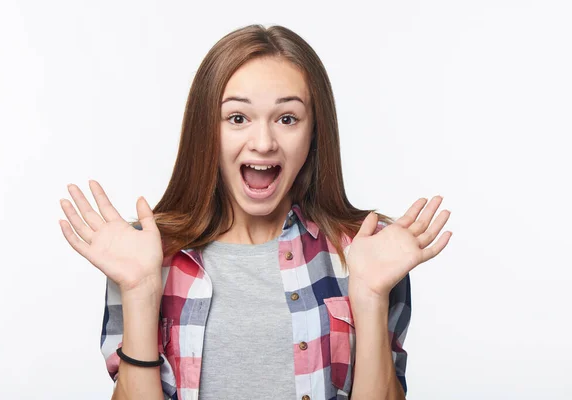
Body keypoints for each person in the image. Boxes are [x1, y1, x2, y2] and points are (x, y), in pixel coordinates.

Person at [59, 24, 452, 400]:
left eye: (287, 119)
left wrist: (369, 296)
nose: (263, 143)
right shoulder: (143, 255)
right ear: (206, 129)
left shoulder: (366, 251)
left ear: (314, 133)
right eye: (237, 118)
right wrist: (141, 291)